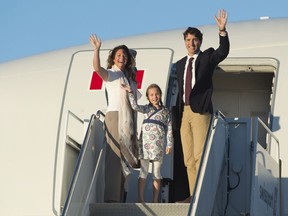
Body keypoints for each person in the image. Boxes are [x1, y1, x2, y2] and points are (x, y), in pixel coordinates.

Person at [175, 9, 230, 203]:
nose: (191, 43)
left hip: (200, 111)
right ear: (185, 42)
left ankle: (201, 194)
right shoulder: (180, 64)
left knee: (199, 155)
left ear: (200, 41)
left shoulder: (207, 57)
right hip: (185, 112)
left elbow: (223, 52)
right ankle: (193, 194)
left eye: (195, 40)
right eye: (188, 40)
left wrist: (222, 31)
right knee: (188, 159)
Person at [89, 34, 139, 203]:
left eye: (125, 55)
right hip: (115, 116)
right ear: (113, 58)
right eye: (119, 55)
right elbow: (97, 69)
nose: (122, 58)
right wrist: (96, 50)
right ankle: (111, 198)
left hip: (129, 120)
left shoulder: (131, 80)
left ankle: (120, 196)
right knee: (114, 158)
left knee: (126, 160)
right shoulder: (112, 74)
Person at [121, 83, 173, 203]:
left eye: (156, 94)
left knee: (156, 173)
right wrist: (130, 92)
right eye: (151, 95)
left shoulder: (166, 112)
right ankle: (141, 199)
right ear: (148, 97)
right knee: (143, 171)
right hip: (144, 144)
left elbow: (169, 129)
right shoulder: (146, 108)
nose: (154, 97)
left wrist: (169, 144)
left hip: (158, 145)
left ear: (160, 95)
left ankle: (155, 200)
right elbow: (134, 106)